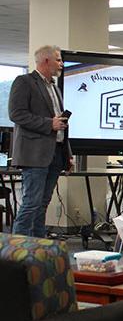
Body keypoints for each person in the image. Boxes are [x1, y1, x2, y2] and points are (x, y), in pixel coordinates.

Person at [9, 45, 72, 238]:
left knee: (42, 204)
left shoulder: (54, 86)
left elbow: (60, 123)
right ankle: (15, 253)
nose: (61, 64)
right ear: (46, 61)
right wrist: (48, 123)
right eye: (58, 60)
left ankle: (37, 249)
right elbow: (16, 114)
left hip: (56, 152)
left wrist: (67, 154)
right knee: (31, 203)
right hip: (34, 154)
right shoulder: (24, 82)